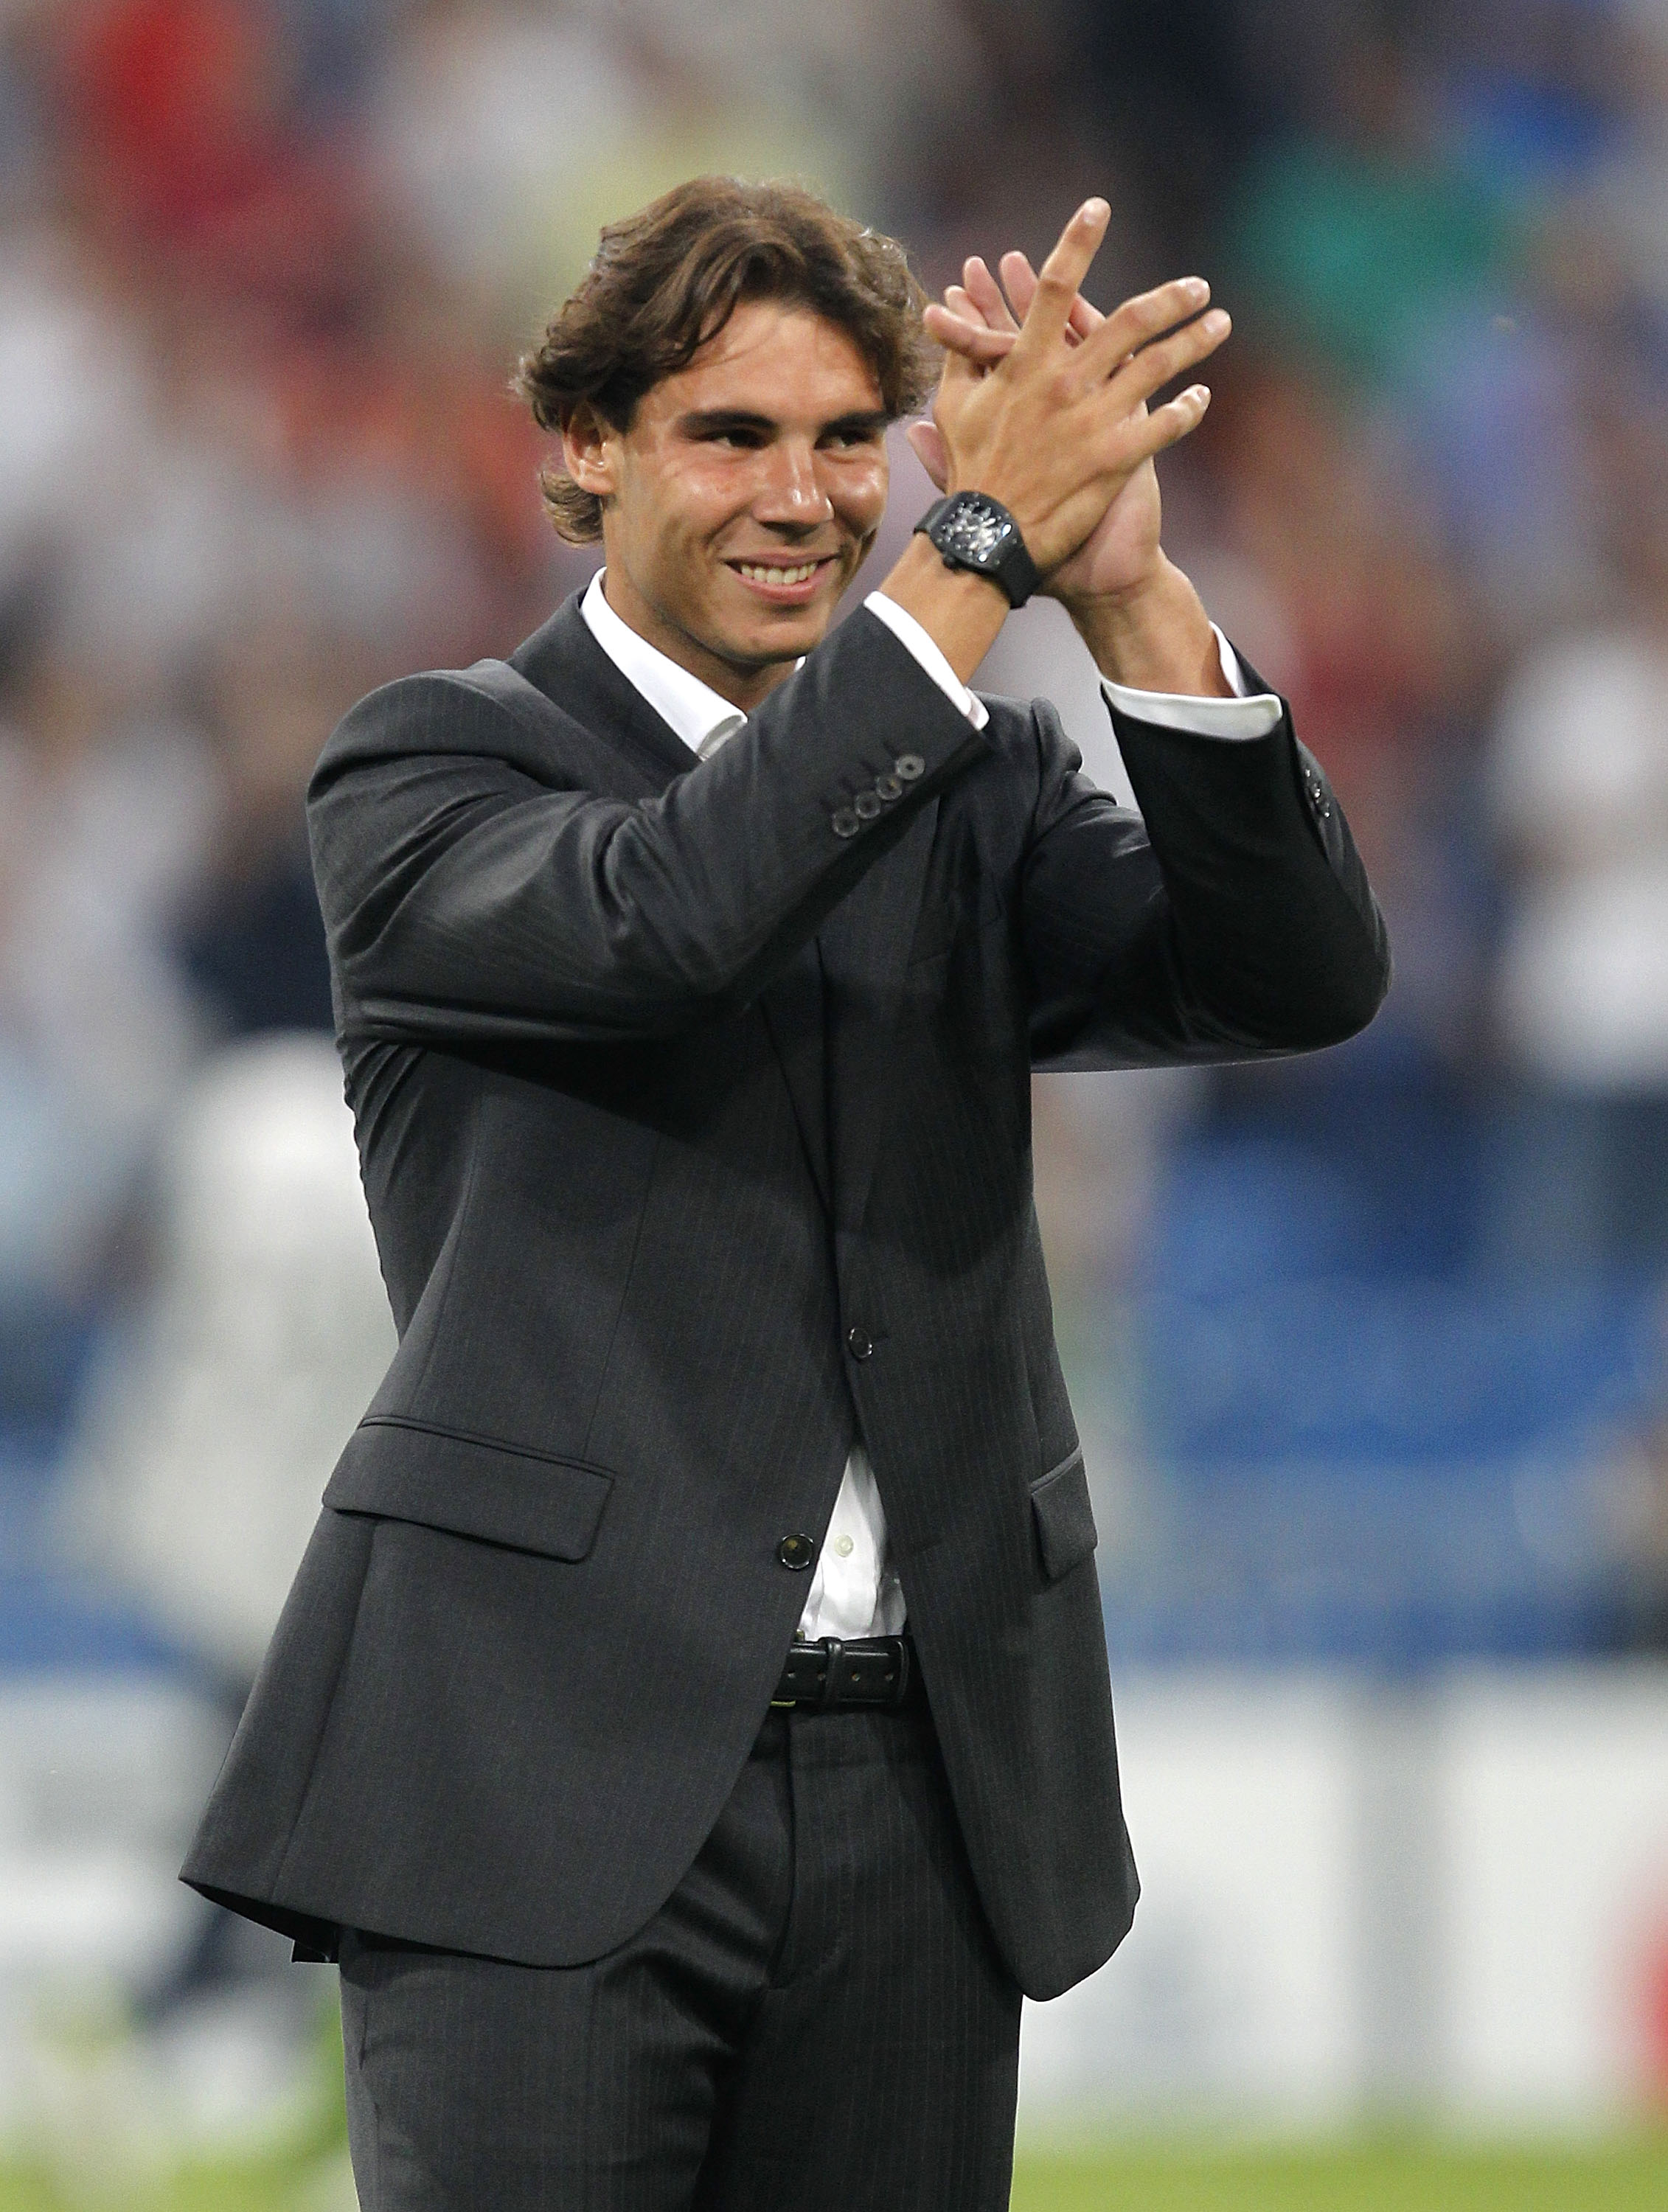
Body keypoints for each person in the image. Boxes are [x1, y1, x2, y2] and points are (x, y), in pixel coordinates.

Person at [181, 177, 1389, 2209]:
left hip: (924, 1778)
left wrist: (1124, 601)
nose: (805, 494)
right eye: (731, 434)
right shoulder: (426, 772)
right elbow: (677, 914)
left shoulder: (969, 779)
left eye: (852, 441)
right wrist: (974, 547)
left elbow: (1294, 976)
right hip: (530, 1773)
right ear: (589, 451)